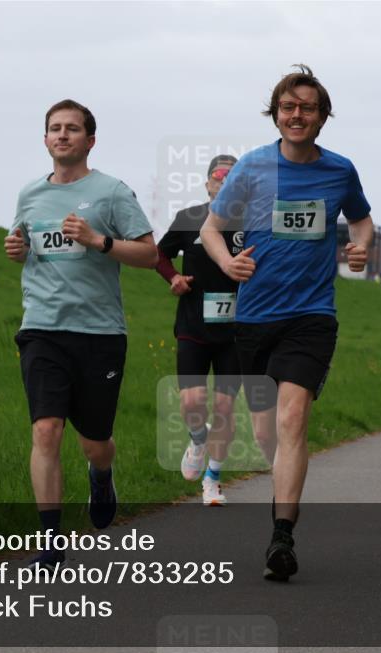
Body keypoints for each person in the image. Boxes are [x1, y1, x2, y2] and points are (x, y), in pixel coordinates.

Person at [200, 64, 373, 581]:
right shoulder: (253, 167)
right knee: (267, 432)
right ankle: (285, 491)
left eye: (307, 107)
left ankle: (281, 537)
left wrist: (360, 246)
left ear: (322, 116)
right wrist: (227, 263)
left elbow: (361, 219)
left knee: (293, 419)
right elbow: (212, 228)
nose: (297, 115)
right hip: (255, 315)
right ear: (276, 114)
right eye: (288, 106)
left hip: (311, 315)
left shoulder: (339, 170)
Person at [3, 99, 158, 569]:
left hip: (98, 333)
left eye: (72, 128)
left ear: (90, 141)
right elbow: (24, 244)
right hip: (42, 328)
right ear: (45, 139)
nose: (62, 135)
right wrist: (17, 248)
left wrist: (98, 241)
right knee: (46, 430)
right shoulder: (30, 195)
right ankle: (51, 540)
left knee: (95, 442)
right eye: (55, 128)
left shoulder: (112, 192)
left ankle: (101, 473)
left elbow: (150, 255)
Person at [156, 155, 241, 506]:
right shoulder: (188, 218)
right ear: (208, 184)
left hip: (235, 333)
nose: (224, 182)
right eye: (218, 177)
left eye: (232, 177)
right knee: (192, 403)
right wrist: (173, 277)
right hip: (193, 325)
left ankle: (213, 480)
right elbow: (159, 255)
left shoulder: (253, 223)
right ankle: (197, 439)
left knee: (224, 408)